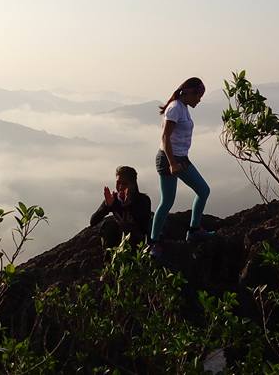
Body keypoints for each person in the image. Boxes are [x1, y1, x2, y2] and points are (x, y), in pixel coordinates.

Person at [150, 77, 214, 257]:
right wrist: (172, 163)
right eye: (198, 96)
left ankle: (194, 230)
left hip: (181, 158)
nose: (199, 100)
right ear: (189, 92)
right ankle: (154, 242)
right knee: (167, 202)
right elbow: (165, 137)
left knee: (203, 190)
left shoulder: (182, 107)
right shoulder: (175, 108)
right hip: (169, 159)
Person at [90, 165, 152, 248]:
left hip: (137, 242)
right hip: (118, 240)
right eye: (118, 183)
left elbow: (143, 227)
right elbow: (93, 221)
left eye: (125, 184)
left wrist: (128, 205)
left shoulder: (143, 200)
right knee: (109, 225)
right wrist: (107, 206)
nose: (121, 187)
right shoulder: (113, 199)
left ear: (133, 185)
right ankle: (109, 260)